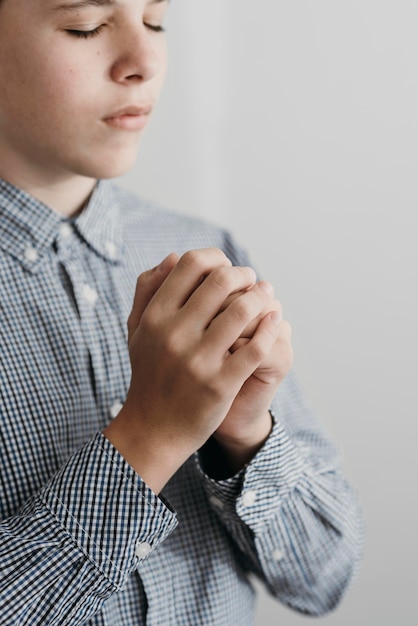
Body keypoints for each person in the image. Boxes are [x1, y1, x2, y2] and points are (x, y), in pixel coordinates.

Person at [0, 1, 363, 624]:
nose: (145, 60)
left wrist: (246, 435)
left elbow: (323, 579)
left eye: (157, 20)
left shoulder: (205, 251)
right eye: (85, 25)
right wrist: (151, 436)